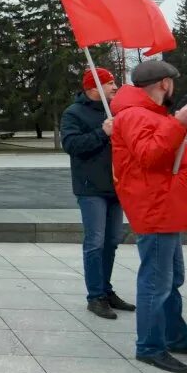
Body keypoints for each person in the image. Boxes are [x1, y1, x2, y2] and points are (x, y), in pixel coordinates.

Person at [111, 60, 187, 373]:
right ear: (164, 84)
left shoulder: (149, 114)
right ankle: (150, 346)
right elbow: (149, 155)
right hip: (155, 209)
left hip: (165, 207)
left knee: (171, 280)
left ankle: (175, 336)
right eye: (173, 82)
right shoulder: (135, 115)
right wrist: (178, 124)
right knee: (156, 283)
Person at [60, 67, 136, 320]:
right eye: (110, 83)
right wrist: (102, 133)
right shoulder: (74, 113)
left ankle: (106, 289)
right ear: (93, 87)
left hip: (116, 185)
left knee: (112, 241)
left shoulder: (114, 111)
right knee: (95, 241)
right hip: (91, 188)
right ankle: (95, 296)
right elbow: (71, 145)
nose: (115, 87)